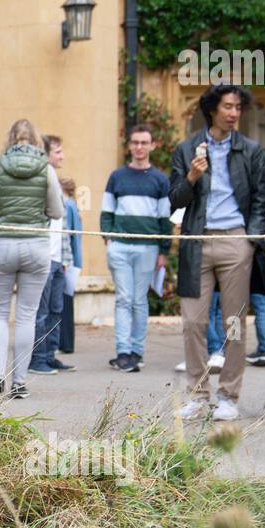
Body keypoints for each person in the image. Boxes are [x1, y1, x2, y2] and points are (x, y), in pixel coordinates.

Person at [171, 83, 265, 422]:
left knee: (234, 324)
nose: (233, 113)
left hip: (235, 241)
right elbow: (175, 199)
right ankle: (198, 397)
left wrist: (251, 239)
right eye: (227, 106)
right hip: (196, 241)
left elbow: (261, 198)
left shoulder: (252, 150)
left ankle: (228, 395)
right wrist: (191, 176)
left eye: (238, 107)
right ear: (212, 109)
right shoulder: (186, 149)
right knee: (193, 322)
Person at [0, 119, 64, 400]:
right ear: (37, 141)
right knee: (27, 315)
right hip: (36, 245)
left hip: (2, 243)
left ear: (10, 139)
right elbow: (57, 212)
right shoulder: (47, 170)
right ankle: (20, 382)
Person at [101, 125, 171, 373]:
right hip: (119, 246)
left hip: (148, 248)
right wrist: (108, 239)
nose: (139, 147)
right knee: (124, 298)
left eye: (144, 142)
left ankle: (136, 352)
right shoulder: (117, 177)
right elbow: (106, 211)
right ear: (129, 146)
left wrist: (164, 250)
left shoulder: (160, 179)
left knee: (139, 301)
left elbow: (165, 219)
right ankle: (122, 352)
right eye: (135, 142)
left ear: (152, 146)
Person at [30, 135, 74, 374]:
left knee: (56, 309)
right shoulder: (41, 180)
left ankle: (50, 354)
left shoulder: (55, 180)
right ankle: (36, 358)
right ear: (46, 154)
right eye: (58, 151)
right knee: (41, 310)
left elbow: (62, 226)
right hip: (43, 256)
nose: (62, 156)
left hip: (58, 258)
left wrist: (66, 259)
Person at [58, 177, 83, 355]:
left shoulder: (68, 205)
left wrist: (72, 261)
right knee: (65, 301)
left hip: (66, 259)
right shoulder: (72, 205)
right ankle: (65, 342)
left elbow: (72, 236)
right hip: (71, 259)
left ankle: (65, 342)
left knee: (62, 302)